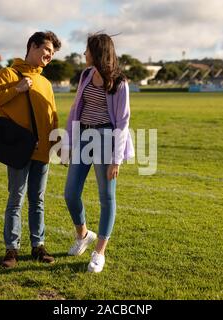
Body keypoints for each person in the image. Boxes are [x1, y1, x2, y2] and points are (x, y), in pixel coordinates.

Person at [0, 31, 61, 268]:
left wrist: (57, 147)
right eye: (47, 50)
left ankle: (38, 246)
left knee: (38, 200)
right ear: (33, 46)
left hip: (43, 151)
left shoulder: (45, 82)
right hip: (19, 149)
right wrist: (16, 89)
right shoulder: (9, 73)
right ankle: (11, 251)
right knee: (16, 198)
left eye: (53, 53)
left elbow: (52, 117)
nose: (49, 56)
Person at [63, 33, 134, 273]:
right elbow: (75, 109)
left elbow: (123, 122)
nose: (84, 54)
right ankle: (83, 235)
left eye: (87, 50)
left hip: (106, 139)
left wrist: (116, 159)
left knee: (106, 198)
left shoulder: (120, 82)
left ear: (97, 52)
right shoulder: (85, 75)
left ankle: (99, 252)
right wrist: (68, 143)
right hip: (83, 136)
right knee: (71, 193)